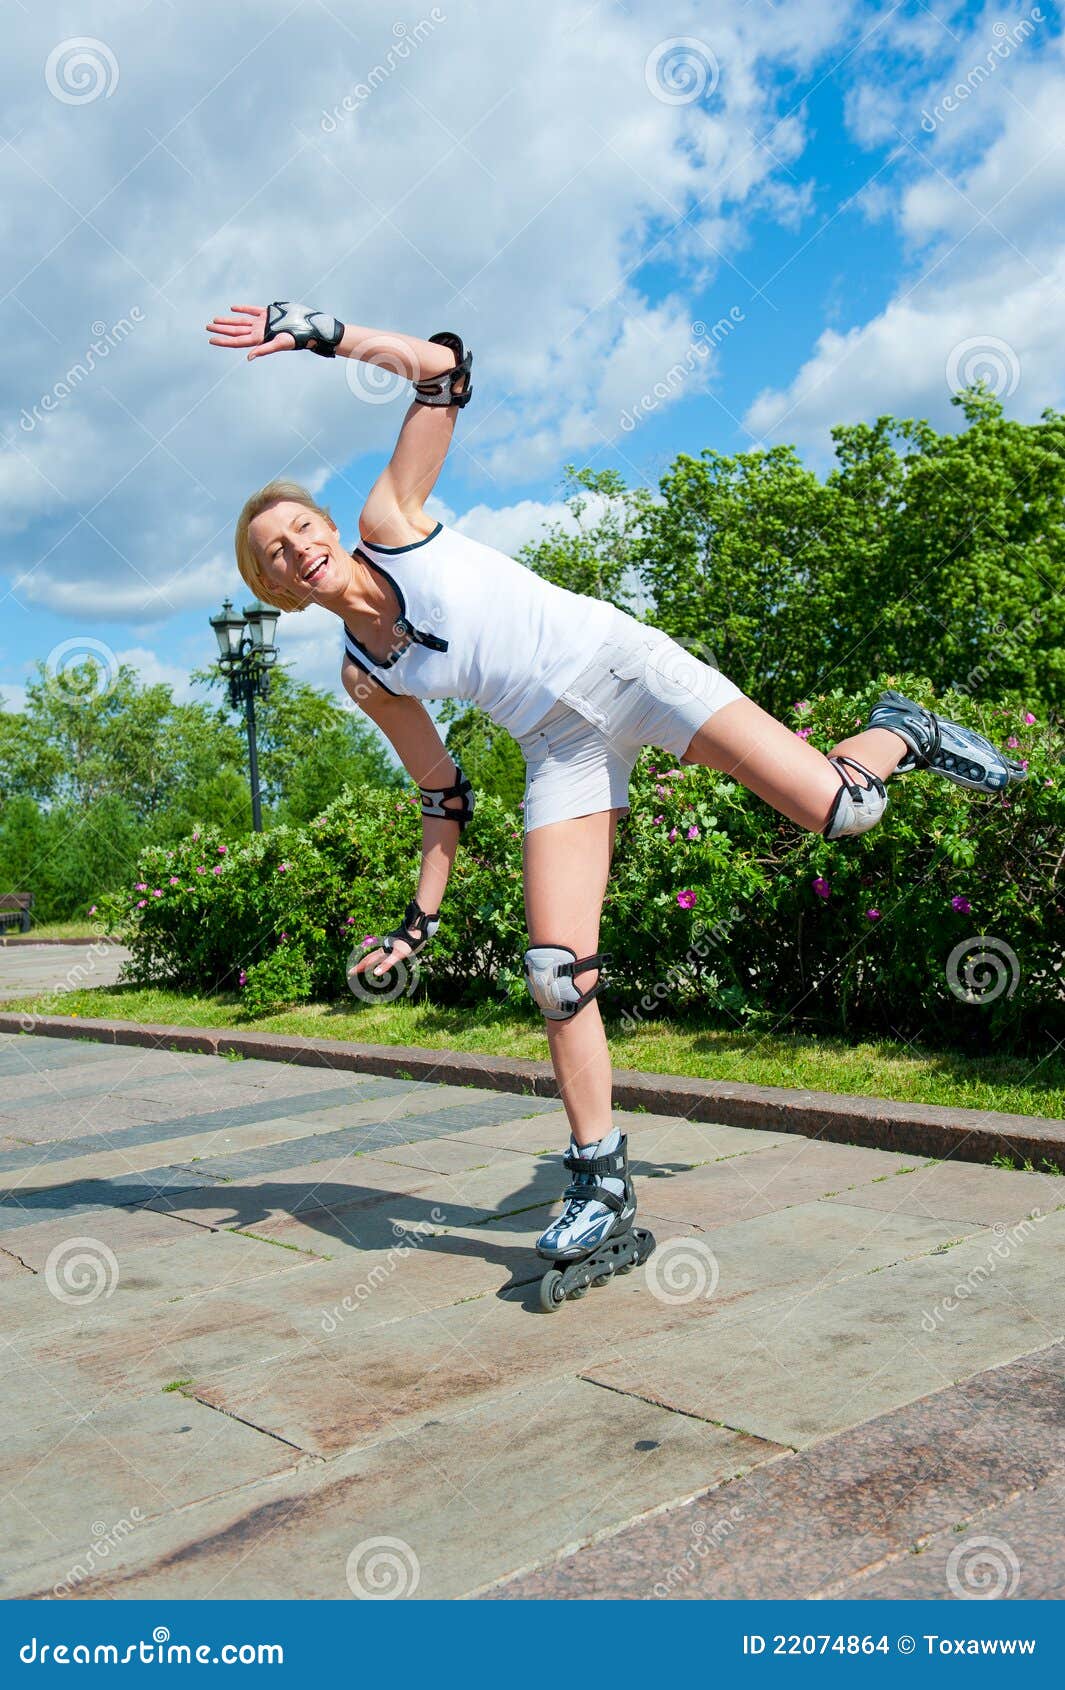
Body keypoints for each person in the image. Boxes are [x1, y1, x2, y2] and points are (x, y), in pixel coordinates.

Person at [210, 299, 1025, 1303]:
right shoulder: (363, 675)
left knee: (843, 812)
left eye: (301, 528)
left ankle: (901, 729)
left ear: (329, 526)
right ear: (279, 592)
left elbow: (444, 370)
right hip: (557, 745)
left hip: (624, 668)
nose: (298, 551)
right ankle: (600, 1179)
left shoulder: (393, 524)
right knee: (556, 973)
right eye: (276, 556)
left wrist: (325, 334)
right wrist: (416, 928)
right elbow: (443, 796)